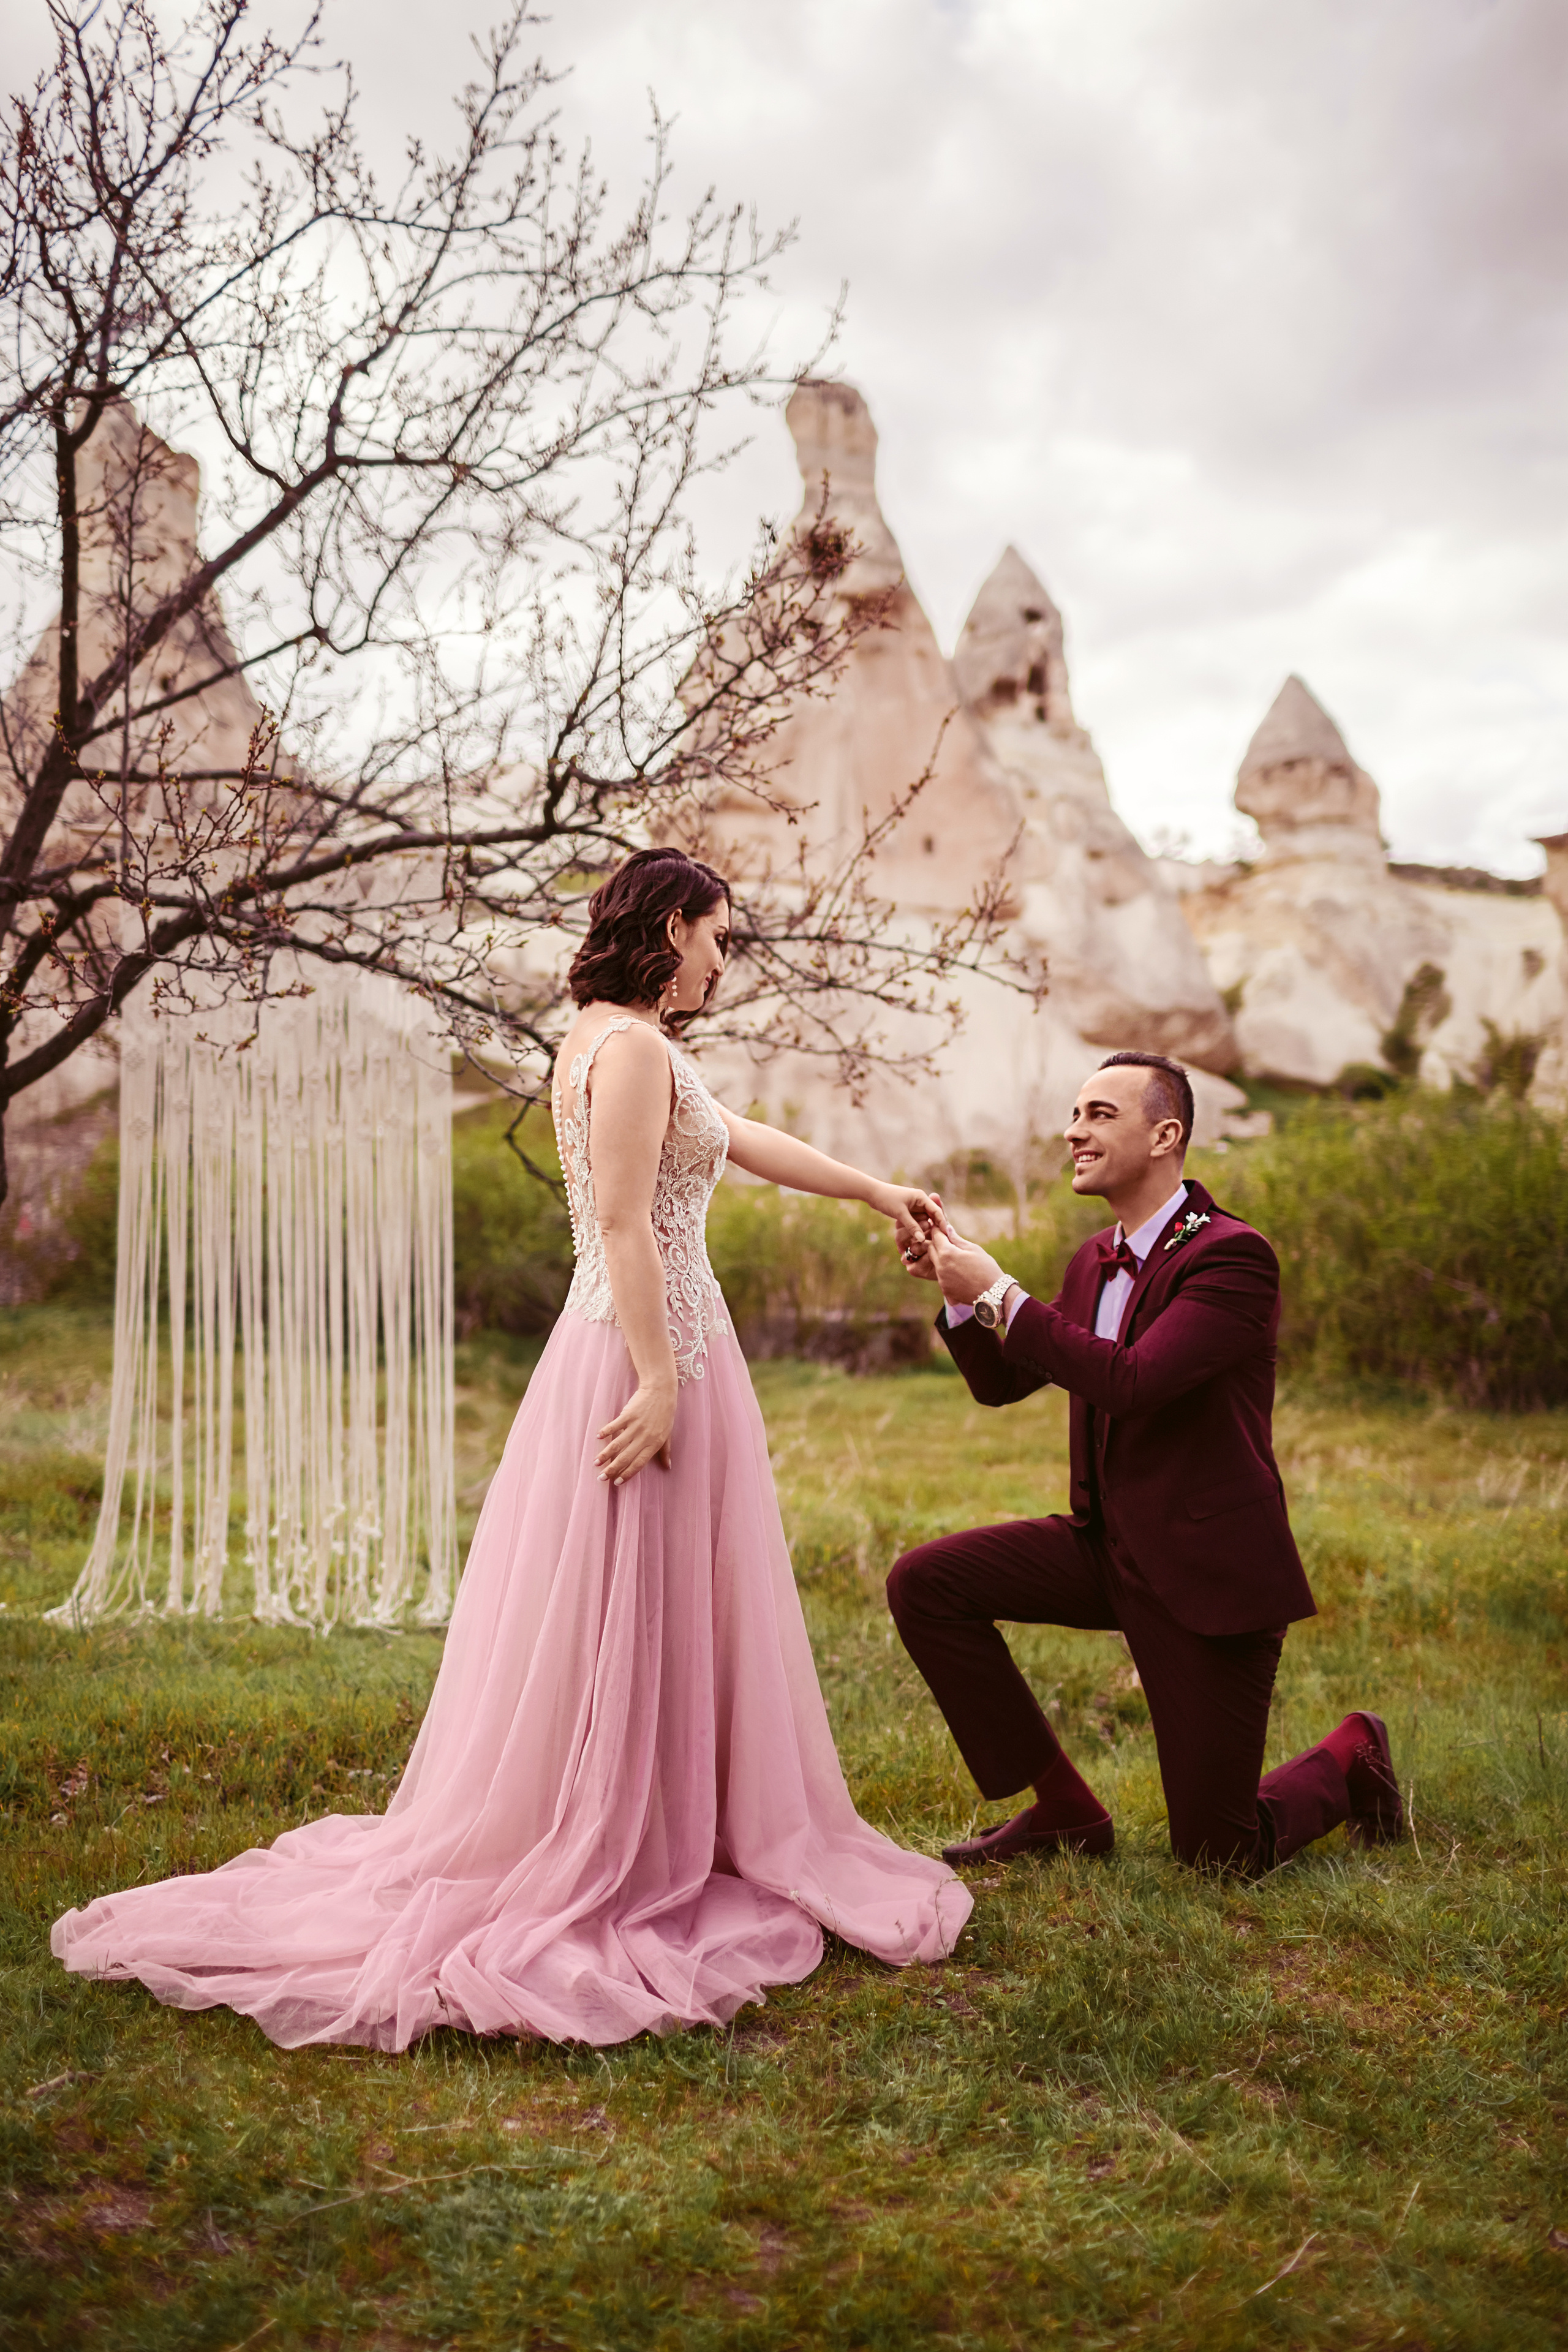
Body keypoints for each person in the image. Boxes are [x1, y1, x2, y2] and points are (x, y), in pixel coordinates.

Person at [53, 848, 970, 2048]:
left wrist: (871, 1190)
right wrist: (654, 1377)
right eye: (716, 935)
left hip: (643, 1337)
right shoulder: (632, 1047)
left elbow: (730, 1135)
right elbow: (626, 1221)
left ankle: (663, 1813)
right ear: (668, 926)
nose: (720, 960)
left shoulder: (606, 1034)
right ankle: (623, 1842)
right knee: (632, 1596)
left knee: (640, 1597)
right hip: (648, 1344)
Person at [889, 1049, 1402, 1877]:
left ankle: (1354, 1753)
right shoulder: (1094, 1259)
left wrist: (1002, 1296)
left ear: (1167, 1135)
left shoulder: (1235, 1258)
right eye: (1075, 1113)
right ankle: (1064, 1809)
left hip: (1207, 1572)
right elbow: (1004, 1380)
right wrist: (958, 1288)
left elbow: (1134, 1384)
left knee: (1221, 1855)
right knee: (925, 1584)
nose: (1073, 1131)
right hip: (1105, 1548)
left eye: (1100, 1115)